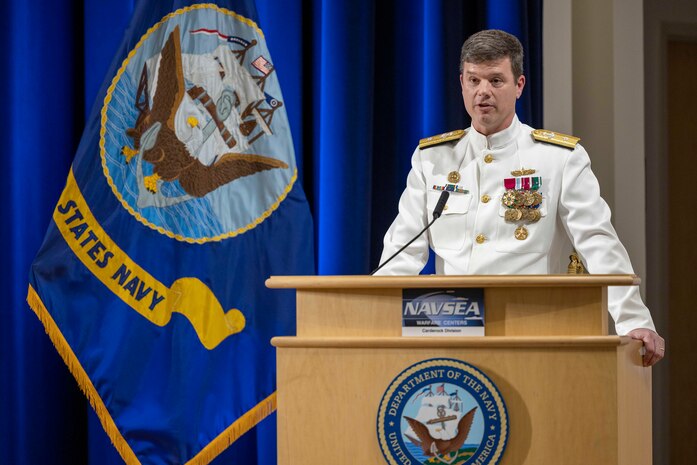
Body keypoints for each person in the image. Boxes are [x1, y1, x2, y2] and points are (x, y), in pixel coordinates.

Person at [375, 29, 665, 367]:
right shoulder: (433, 159)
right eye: (474, 80)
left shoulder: (559, 158)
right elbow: (402, 251)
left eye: (496, 80)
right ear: (462, 83)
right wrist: (374, 317)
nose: (483, 91)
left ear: (519, 85)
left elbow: (598, 243)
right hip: (452, 337)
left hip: (534, 336)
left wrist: (634, 321)